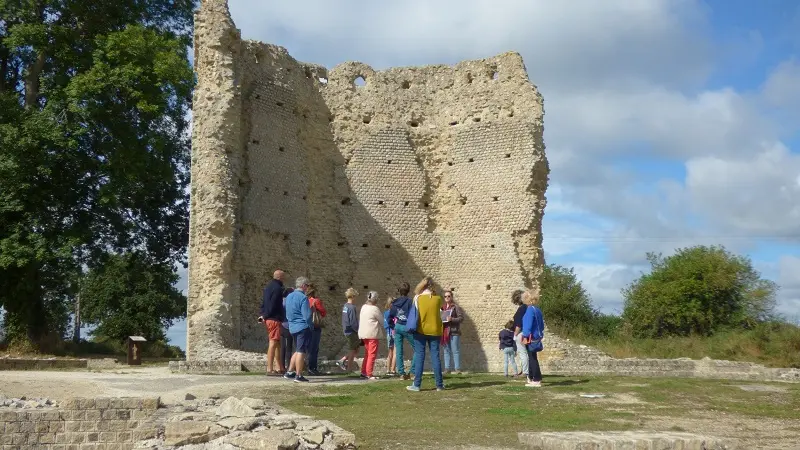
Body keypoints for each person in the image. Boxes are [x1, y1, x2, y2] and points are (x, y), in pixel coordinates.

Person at [407, 276, 445, 392]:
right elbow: (441, 314)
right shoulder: (438, 299)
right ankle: (439, 385)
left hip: (420, 330)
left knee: (420, 356)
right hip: (435, 330)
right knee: (435, 357)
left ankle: (417, 384)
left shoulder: (417, 298)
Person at [284, 276, 313, 383]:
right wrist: (310, 326)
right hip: (302, 326)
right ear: (304, 286)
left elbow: (287, 311)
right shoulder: (303, 298)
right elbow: (307, 315)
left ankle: (290, 371)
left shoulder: (289, 296)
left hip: (292, 326)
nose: (308, 288)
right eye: (307, 286)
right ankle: (299, 374)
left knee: (297, 349)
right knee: (301, 351)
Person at [259, 270, 287, 375]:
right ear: (280, 277)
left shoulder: (268, 287)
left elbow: (264, 303)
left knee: (277, 343)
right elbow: (273, 304)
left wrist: (262, 315)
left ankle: (279, 367)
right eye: (283, 277)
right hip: (274, 318)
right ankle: (269, 368)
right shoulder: (278, 288)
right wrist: (267, 315)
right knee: (273, 342)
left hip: (268, 318)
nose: (284, 279)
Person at [388, 282, 416, 380]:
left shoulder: (394, 303)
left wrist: (393, 326)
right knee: (417, 348)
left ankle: (401, 374)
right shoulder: (410, 302)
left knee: (399, 351)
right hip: (406, 326)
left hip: (398, 326)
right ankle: (412, 372)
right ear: (408, 291)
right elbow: (413, 315)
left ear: (399, 291)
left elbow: (390, 316)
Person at [521, 290, 545, 387]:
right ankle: (531, 377)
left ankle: (536, 379)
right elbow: (542, 326)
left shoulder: (530, 310)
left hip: (530, 337)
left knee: (532, 358)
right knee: (532, 356)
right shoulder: (537, 310)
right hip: (537, 336)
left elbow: (527, 324)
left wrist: (525, 335)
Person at [358, 291, 384, 380]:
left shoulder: (363, 307)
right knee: (372, 354)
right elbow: (382, 321)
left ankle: (364, 372)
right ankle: (369, 373)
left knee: (367, 354)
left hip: (364, 334)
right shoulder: (374, 309)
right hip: (372, 334)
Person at [336, 287, 360, 372]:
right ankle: (349, 368)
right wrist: (357, 330)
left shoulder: (345, 306)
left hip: (346, 330)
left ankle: (343, 360)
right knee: (352, 350)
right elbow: (353, 321)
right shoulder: (352, 307)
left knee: (356, 349)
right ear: (353, 296)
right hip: (351, 331)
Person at [440, 289, 463, 374]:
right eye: (445, 296)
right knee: (446, 350)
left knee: (455, 350)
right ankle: (447, 368)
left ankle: (457, 368)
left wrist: (452, 319)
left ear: (452, 297)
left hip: (454, 331)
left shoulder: (456, 307)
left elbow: (461, 318)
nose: (447, 297)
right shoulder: (442, 308)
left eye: (448, 296)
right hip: (445, 332)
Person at [306, 284, 327, 376]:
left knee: (308, 347)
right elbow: (323, 312)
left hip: (307, 326)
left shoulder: (305, 300)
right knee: (314, 348)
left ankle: (308, 367)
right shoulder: (316, 301)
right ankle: (312, 368)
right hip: (315, 326)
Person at [511, 289, 527, 377]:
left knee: (522, 353)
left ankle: (525, 372)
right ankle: (524, 370)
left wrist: (515, 335)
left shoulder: (522, 308)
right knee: (524, 353)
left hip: (521, 333)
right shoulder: (526, 307)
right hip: (525, 333)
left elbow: (519, 324)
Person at [383, 296, 396, 377]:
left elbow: (385, 324)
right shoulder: (394, 313)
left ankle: (388, 370)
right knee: (396, 352)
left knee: (390, 353)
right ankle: (393, 370)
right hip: (394, 332)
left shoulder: (385, 313)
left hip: (388, 333)